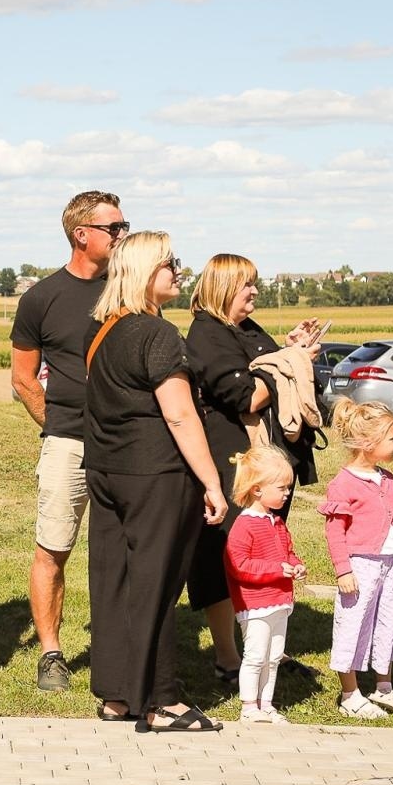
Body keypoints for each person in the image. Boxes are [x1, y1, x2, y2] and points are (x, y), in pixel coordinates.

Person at [85, 231, 229, 733]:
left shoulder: (103, 330)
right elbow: (181, 416)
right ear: (146, 271)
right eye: (170, 262)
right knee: (157, 584)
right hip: (156, 474)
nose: (177, 270)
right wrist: (212, 481)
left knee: (113, 583)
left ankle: (118, 696)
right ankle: (161, 700)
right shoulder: (159, 334)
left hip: (107, 471)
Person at [184, 254, 321, 692]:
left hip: (267, 464)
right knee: (225, 556)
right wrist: (292, 360)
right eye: (248, 285)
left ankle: (263, 645)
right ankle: (228, 656)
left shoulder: (244, 328)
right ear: (225, 287)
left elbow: (267, 364)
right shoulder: (207, 332)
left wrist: (289, 349)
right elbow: (245, 396)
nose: (255, 292)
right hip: (235, 466)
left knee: (266, 550)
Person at [9, 190, 126, 692]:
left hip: (126, 445)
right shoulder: (41, 298)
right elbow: (23, 378)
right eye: (114, 228)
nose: (122, 235)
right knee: (53, 547)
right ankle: (52, 653)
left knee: (123, 548)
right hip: (68, 443)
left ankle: (119, 643)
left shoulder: (128, 292)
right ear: (83, 234)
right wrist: (54, 425)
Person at [321, 397, 393, 720]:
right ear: (367, 443)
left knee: (387, 623)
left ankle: (383, 685)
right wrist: (343, 569)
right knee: (353, 624)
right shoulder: (343, 484)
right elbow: (335, 532)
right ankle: (349, 693)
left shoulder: (389, 480)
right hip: (360, 565)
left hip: (391, 563)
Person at [224, 446, 307, 725]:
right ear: (257, 489)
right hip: (255, 604)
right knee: (256, 655)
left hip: (280, 600)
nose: (287, 493)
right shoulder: (244, 525)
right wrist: (276, 570)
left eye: (288, 487)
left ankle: (266, 704)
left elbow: (287, 552)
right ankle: (249, 706)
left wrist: (295, 564)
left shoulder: (278, 523)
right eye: (282, 487)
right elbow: (240, 566)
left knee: (273, 656)